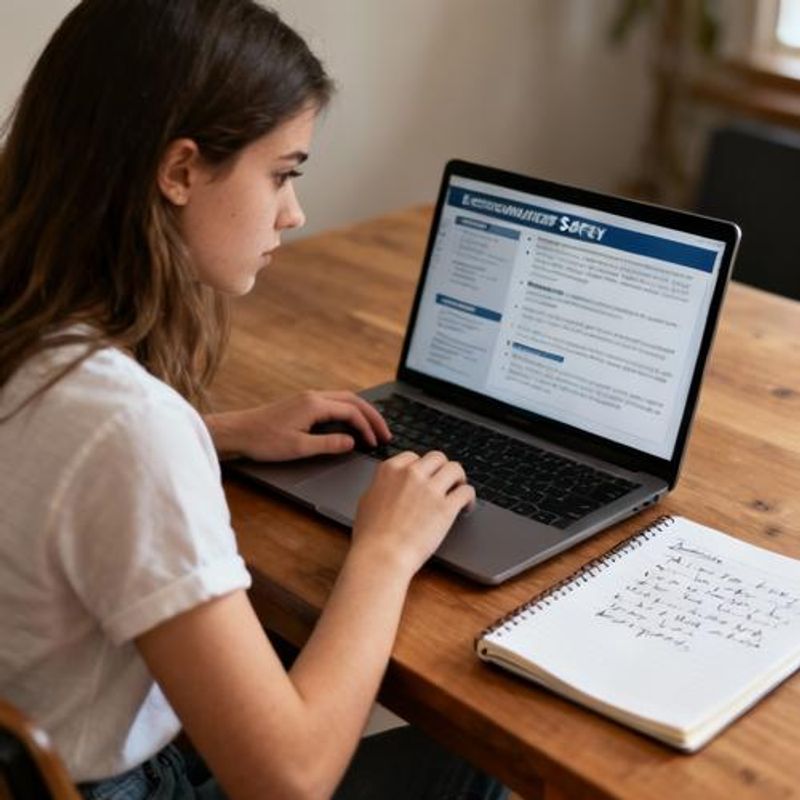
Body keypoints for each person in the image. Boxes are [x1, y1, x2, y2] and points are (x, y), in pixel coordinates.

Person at [0, 2, 508, 799]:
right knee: (482, 747)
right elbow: (288, 779)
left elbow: (48, 450)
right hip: (110, 779)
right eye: (282, 173)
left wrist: (217, 432)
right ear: (179, 171)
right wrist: (385, 551)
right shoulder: (126, 428)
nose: (293, 212)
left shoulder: (30, 331)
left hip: (41, 746)